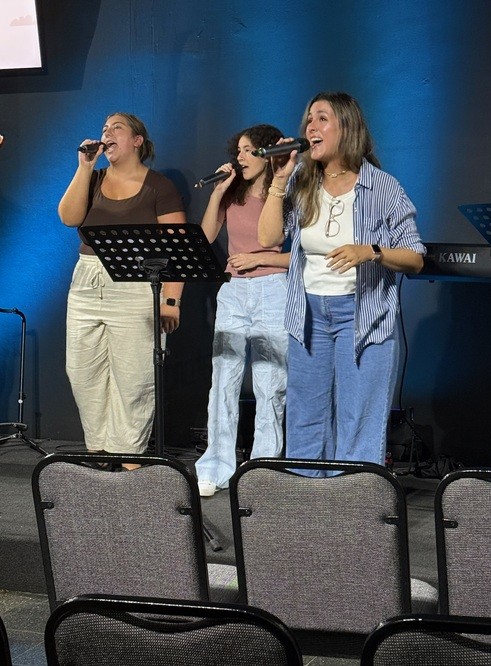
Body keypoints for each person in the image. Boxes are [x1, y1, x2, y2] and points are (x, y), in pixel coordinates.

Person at [258, 92, 425, 475]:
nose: (310, 128)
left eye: (321, 119)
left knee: (358, 419)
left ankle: (353, 501)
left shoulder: (382, 187)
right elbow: (268, 238)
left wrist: (371, 251)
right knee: (305, 417)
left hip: (361, 316)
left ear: (347, 127)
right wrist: (279, 179)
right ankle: (308, 498)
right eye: (308, 120)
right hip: (309, 315)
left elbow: (415, 257)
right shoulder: (301, 181)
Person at [58, 113, 186, 469]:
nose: (106, 133)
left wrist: (171, 300)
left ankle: (129, 456)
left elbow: (177, 249)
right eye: (104, 129)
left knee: (134, 378)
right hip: (87, 281)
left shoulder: (158, 186)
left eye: (116, 128)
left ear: (137, 141)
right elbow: (69, 217)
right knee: (82, 371)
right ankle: (101, 450)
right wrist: (85, 167)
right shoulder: (94, 178)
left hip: (134, 284)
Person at [195, 124, 289, 496]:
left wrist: (258, 258)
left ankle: (263, 470)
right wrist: (217, 192)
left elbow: (302, 256)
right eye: (239, 150)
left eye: (249, 150)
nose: (241, 157)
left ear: (267, 153)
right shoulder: (232, 192)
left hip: (273, 291)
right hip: (233, 292)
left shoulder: (286, 193)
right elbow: (204, 237)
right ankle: (215, 468)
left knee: (269, 383)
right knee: (223, 381)